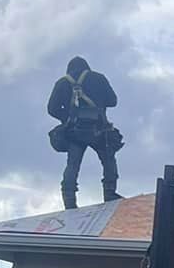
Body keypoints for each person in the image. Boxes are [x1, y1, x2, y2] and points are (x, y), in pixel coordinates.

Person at [48, 56, 123, 209]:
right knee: (108, 161)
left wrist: (67, 118)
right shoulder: (98, 78)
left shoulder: (63, 83)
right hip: (100, 129)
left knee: (73, 164)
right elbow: (113, 101)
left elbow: (52, 109)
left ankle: (69, 200)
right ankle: (109, 194)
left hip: (75, 132)